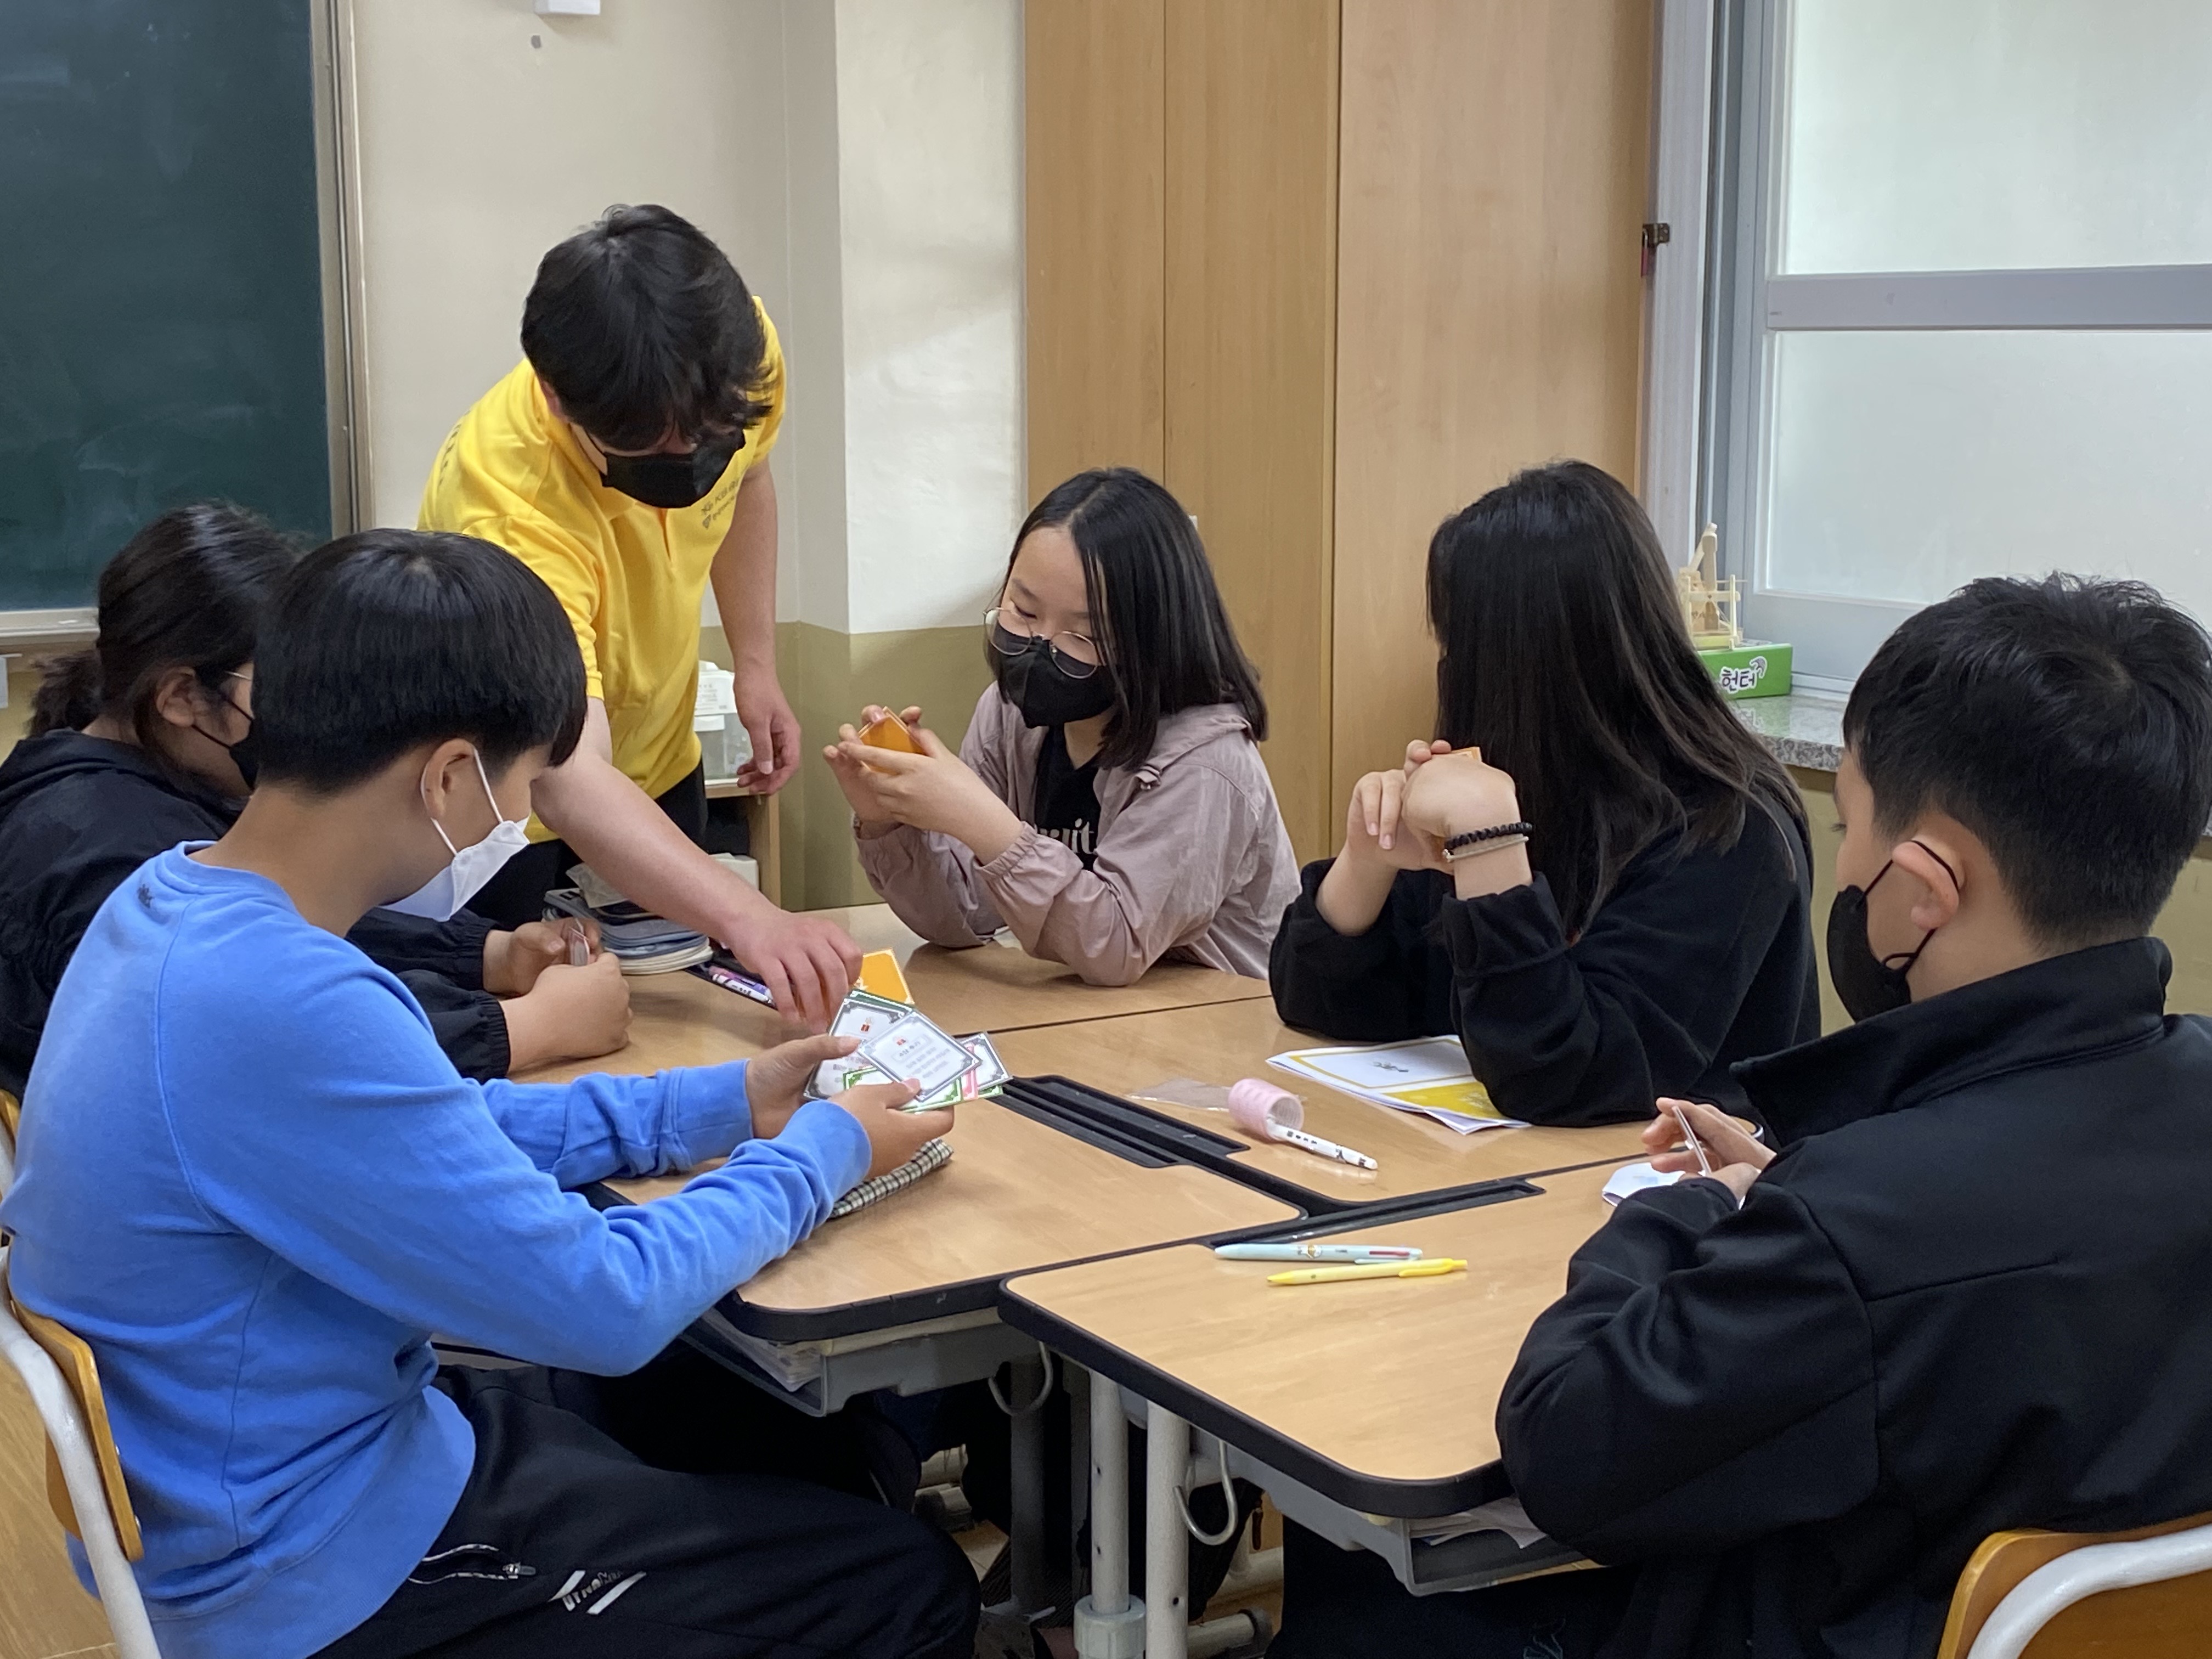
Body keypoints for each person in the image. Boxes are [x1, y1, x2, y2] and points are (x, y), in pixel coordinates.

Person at [0, 528, 975, 1659]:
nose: (517, 822)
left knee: (747, 1415)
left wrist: (720, 1103)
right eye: (523, 790)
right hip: (313, 1567)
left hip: (311, 1458)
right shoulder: (277, 994)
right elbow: (604, 1300)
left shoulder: (173, 902)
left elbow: (431, 1129)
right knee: (907, 1586)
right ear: (451, 776)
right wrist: (823, 1152)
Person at [1276, 572, 2212, 1659]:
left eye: (1850, 825)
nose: (1842, 863)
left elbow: (1564, 1447)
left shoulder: (1860, 1220)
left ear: (1924, 887)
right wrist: (1800, 1194)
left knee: (1363, 1569)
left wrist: (1694, 1211)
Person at [0, 504, 628, 1094]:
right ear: (182, 697)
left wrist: (489, 955)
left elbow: (307, 925)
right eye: (278, 686)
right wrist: (524, 1029)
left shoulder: (168, 785)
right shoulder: (94, 854)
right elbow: (267, 1043)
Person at [1269, 461, 1819, 1125]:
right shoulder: (1527, 779)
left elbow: (1565, 1075)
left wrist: (1490, 839)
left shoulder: (1731, 829)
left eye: (1456, 646)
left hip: (1661, 1179)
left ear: (1512, 666)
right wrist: (1368, 859)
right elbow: (1318, 1002)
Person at [419, 203, 857, 1027]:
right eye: (653, 451)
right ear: (558, 400)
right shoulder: (509, 503)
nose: (690, 462)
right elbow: (566, 773)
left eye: (708, 437)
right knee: (555, 1037)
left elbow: (750, 481)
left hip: (655, 762)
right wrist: (752, 915)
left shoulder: (735, 360)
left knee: (686, 1020)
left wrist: (757, 665)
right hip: (507, 813)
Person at [826, 467, 1298, 984]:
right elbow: (966, 916)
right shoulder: (1010, 716)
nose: (1041, 647)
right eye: (1024, 610)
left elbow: (1115, 945)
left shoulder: (1205, 764)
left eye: (1085, 635)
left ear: (1152, 641)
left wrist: (982, 821)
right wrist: (889, 822)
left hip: (1222, 1013)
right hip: (1099, 1010)